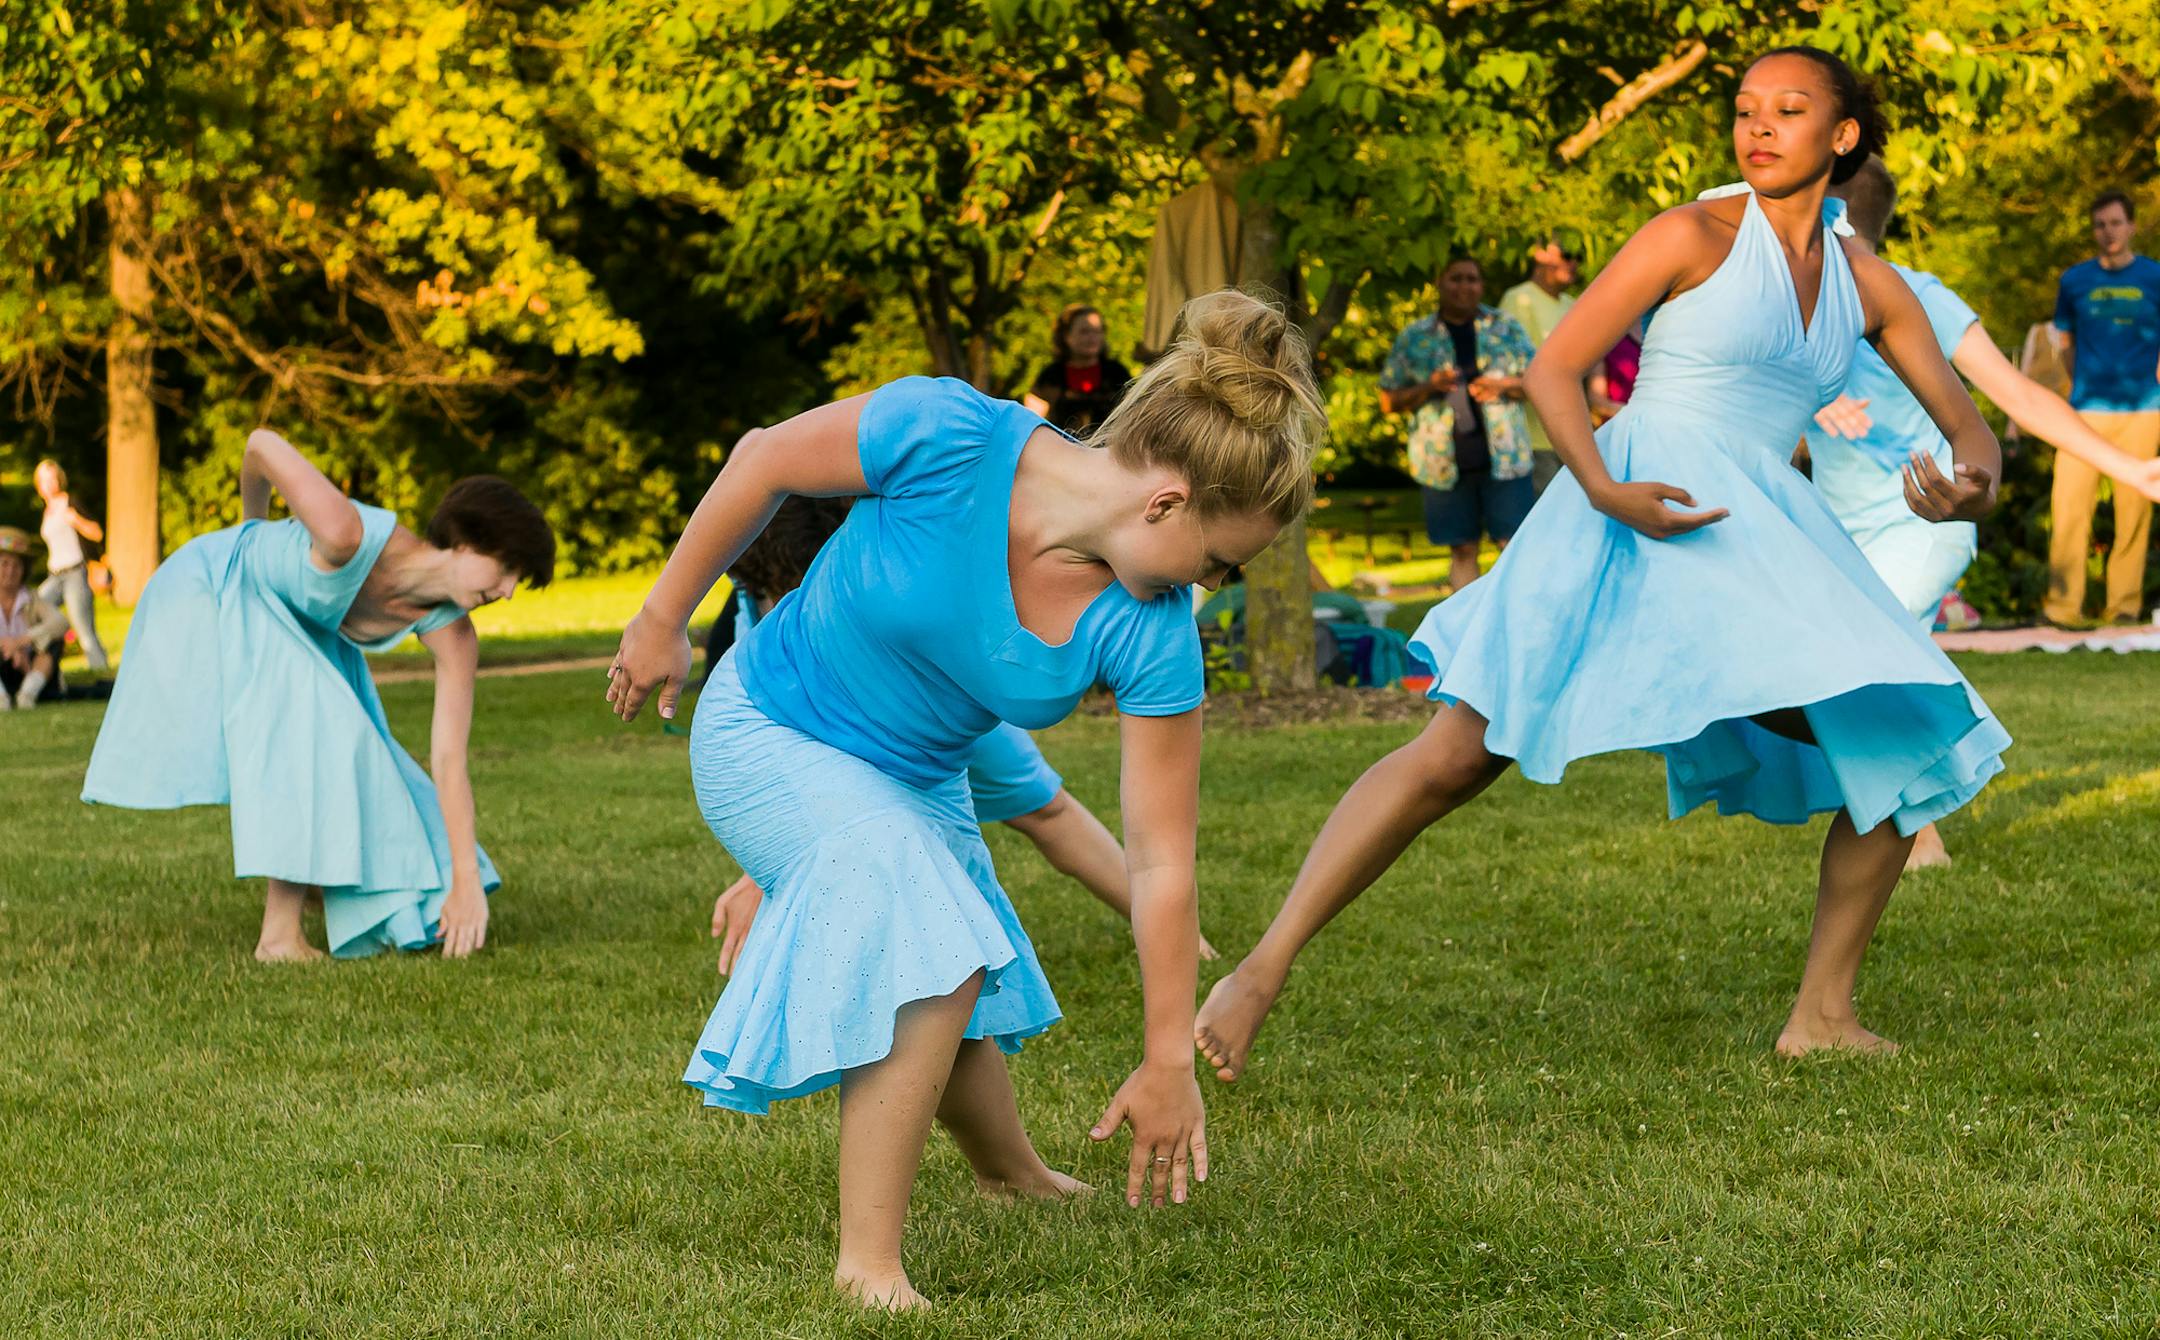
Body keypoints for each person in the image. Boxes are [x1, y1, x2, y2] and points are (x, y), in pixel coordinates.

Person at [1195, 48, 2008, 1085]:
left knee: (1900, 728)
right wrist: (1604, 486)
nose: (1758, 128)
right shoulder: (1691, 235)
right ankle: (1258, 971)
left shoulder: (1869, 285)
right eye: (1745, 109)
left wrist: (1968, 483)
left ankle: (1823, 1012)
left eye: (1790, 110)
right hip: (1630, 501)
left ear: (1842, 136)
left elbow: (1972, 437)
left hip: (1757, 520)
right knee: (1456, 755)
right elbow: (1556, 366)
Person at [606, 290, 1322, 1310]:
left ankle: (1009, 1172)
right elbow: (764, 456)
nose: (1214, 585)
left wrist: (1169, 1055)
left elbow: (1161, 860)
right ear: (1164, 501)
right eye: (1220, 562)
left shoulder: (1150, 627)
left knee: (955, 969)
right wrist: (662, 615)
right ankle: (869, 1265)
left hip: (917, 773)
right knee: (922, 936)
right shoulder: (945, 431)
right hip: (771, 723)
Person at [82, 429, 554, 962]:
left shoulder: (456, 636)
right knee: (323, 729)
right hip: (215, 585)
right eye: (507, 570)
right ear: (465, 542)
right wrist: (251, 526)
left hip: (297, 626)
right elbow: (259, 445)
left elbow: (448, 762)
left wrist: (465, 881)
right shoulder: (344, 532)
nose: (509, 590)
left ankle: (324, 882)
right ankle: (279, 939)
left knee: (372, 757)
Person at [1809, 157, 2160, 869]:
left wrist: (2132, 469)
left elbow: (2020, 397)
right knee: (1850, 675)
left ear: (1837, 216)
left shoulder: (1922, 296)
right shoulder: (1791, 302)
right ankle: (1917, 818)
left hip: (1926, 518)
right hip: (1834, 526)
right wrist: (1811, 402)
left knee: (1877, 660)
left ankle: (1914, 829)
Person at [701, 495, 1220, 970]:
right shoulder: (762, 613)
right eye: (768, 596)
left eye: (791, 593)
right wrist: (769, 871)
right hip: (848, 743)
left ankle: (1174, 934)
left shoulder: (884, 585)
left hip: (934, 692)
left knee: (1044, 807)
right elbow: (798, 760)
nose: (779, 605)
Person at [1378, 257, 1539, 594]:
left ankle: (1518, 618)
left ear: (1482, 284)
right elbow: (1388, 400)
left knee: (1514, 546)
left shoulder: (1504, 327)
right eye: (1456, 279)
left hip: (1506, 459)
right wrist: (1428, 386)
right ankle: (1465, 626)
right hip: (1442, 463)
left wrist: (1501, 386)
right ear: (1439, 282)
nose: (1464, 287)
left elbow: (1540, 382)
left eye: (1472, 279)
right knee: (1462, 548)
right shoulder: (1415, 337)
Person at [2044, 192, 2160, 625]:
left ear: (2131, 227)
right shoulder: (2074, 281)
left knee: (2134, 513)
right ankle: (2062, 608)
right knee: (2070, 508)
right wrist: (2080, 385)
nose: (2108, 232)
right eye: (2100, 225)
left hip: (2145, 409)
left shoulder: (2154, 277)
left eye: (2115, 223)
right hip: (2084, 411)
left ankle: (2124, 608)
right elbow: (2065, 344)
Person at [1500, 241, 1582, 490]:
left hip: (1571, 438)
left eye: (1579, 256)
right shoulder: (1518, 298)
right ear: (1539, 253)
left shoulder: (1572, 304)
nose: (1574, 263)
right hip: (1533, 438)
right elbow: (1509, 369)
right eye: (1567, 253)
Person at [33, 460, 112, 673]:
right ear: (38, 484)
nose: (48, 484)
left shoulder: (70, 502)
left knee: (84, 631)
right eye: (43, 480)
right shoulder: (47, 511)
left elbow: (97, 532)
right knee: (31, 613)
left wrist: (75, 519)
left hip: (74, 574)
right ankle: (43, 668)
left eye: (51, 478)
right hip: (54, 576)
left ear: (59, 479)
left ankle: (103, 677)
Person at [1023, 304, 1134, 437]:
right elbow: (1031, 425)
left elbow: (1133, 417)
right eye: (1084, 331)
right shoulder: (1049, 377)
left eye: (1097, 331)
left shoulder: (1118, 374)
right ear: (1066, 336)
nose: (1092, 337)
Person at [0, 526, 66, 710]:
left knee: (53, 644)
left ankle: (27, 694)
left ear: (23, 570)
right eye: (4, 563)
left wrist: (21, 641)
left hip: (27, 667)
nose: (10, 571)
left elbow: (60, 623)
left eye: (17, 565)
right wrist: (8, 647)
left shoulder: (31, 598)